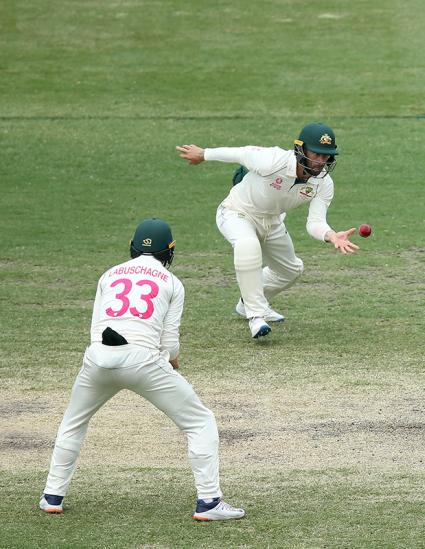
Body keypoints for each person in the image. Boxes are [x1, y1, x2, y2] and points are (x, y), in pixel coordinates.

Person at [40, 219, 244, 521]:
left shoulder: (108, 275)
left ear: (133, 247)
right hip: (141, 361)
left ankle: (52, 497)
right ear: (169, 251)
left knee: (73, 423)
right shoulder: (172, 282)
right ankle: (209, 502)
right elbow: (170, 344)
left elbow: (97, 329)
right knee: (200, 422)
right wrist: (171, 361)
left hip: (98, 358)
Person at [177, 123, 359, 339]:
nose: (321, 162)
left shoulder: (323, 183)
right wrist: (203, 154)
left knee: (291, 270)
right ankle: (256, 317)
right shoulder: (274, 159)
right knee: (247, 244)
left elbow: (315, 221)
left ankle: (248, 304)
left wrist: (329, 234)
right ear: (300, 149)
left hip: (272, 222)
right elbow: (240, 153)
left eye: (326, 156)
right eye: (316, 154)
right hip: (238, 211)